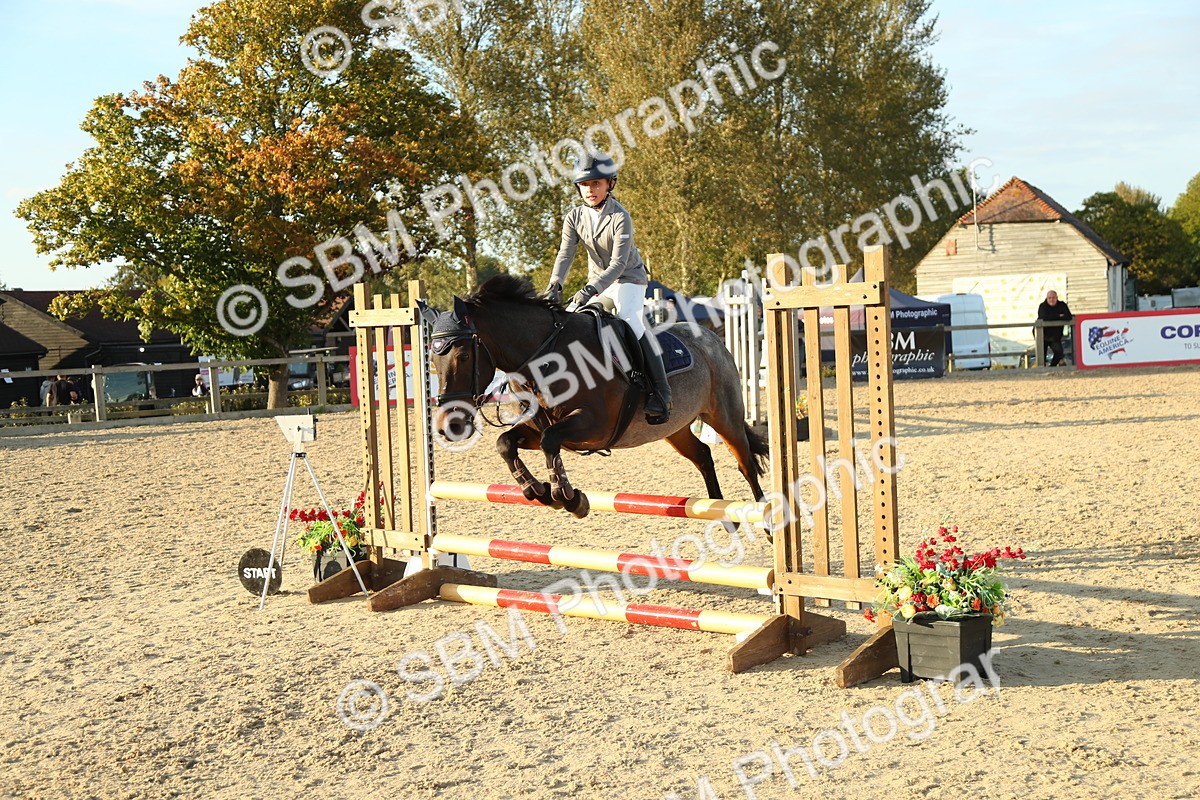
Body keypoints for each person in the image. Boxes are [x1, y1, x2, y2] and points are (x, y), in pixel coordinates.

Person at [543, 152, 672, 424]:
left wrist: (590, 289)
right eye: (584, 185)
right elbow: (565, 254)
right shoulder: (574, 217)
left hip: (628, 280)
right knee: (571, 321)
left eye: (596, 184)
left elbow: (618, 264)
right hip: (599, 282)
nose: (590, 190)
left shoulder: (620, 217)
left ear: (609, 185)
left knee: (630, 321)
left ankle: (661, 392)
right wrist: (555, 284)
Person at [1037, 290, 1073, 366]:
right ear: (1046, 298)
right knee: (1042, 355)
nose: (1051, 300)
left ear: (1057, 298)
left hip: (1055, 336)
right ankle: (1043, 370)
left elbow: (1068, 316)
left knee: (1059, 353)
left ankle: (1052, 367)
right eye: (1049, 298)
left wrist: (1052, 316)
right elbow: (1043, 317)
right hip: (1043, 335)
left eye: (1053, 298)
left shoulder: (1062, 305)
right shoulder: (1042, 306)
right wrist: (1059, 315)